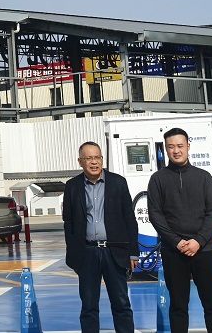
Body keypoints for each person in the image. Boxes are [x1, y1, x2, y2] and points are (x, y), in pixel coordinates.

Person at [146, 127, 212, 333]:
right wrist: (177, 242)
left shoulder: (204, 177)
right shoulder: (158, 179)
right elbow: (155, 215)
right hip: (174, 252)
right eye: (171, 147)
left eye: (180, 146)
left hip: (205, 250)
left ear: (188, 147)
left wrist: (198, 241)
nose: (176, 151)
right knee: (178, 305)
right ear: (165, 149)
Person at [63, 141, 139, 333]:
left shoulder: (118, 183)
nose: (94, 162)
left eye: (97, 157)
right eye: (89, 158)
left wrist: (133, 253)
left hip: (115, 251)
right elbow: (68, 223)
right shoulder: (72, 186)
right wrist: (74, 256)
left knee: (121, 304)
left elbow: (129, 219)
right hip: (87, 252)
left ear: (102, 159)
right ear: (80, 161)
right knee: (89, 306)